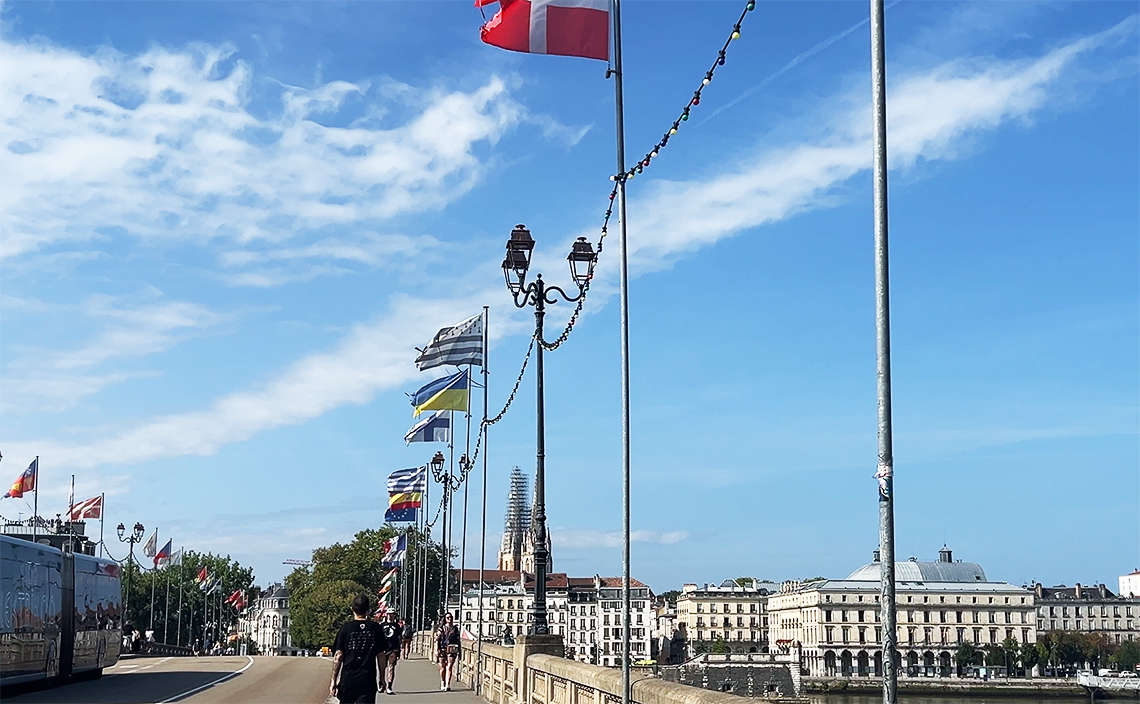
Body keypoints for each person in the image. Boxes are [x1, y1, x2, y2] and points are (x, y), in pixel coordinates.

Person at [330, 594, 385, 704]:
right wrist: (382, 678)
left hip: (348, 678)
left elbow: (338, 656)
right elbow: (381, 655)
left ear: (352, 609)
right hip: (367, 679)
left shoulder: (346, 628)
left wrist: (333, 680)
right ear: (368, 610)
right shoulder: (375, 629)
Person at [377, 611, 402, 695]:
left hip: (393, 649)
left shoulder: (397, 626)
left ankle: (389, 686)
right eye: (388, 614)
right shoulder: (381, 625)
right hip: (383, 649)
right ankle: (381, 684)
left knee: (391, 667)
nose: (390, 615)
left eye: (392, 614)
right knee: (382, 668)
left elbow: (399, 638)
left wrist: (398, 650)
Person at [435, 612, 460, 692]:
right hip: (442, 649)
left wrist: (460, 650)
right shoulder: (441, 628)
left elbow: (458, 640)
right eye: (448, 618)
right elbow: (437, 640)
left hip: (452, 649)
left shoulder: (455, 629)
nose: (450, 619)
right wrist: (436, 649)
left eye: (451, 617)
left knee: (449, 667)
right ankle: (443, 682)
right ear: (445, 619)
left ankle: (447, 685)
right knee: (442, 668)